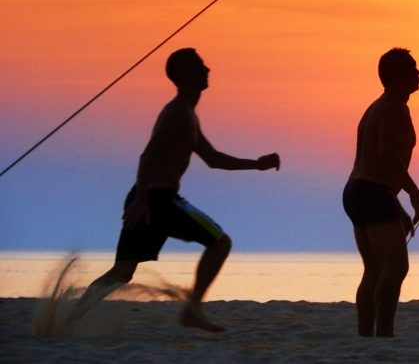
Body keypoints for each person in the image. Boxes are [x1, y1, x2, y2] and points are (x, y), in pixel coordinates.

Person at [68, 48, 281, 332]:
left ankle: (67, 321)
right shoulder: (178, 113)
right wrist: (142, 200)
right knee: (220, 243)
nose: (207, 70)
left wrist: (257, 165)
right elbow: (148, 156)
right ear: (182, 76)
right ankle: (191, 312)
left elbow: (214, 159)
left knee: (122, 272)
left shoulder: (188, 114)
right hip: (157, 199)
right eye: (200, 66)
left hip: (150, 198)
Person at [342, 48, 419, 337]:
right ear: (398, 76)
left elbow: (381, 164)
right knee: (395, 268)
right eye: (413, 69)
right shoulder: (393, 106)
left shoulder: (379, 105)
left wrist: (398, 207)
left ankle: (366, 338)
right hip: (371, 192)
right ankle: (384, 335)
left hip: (359, 192)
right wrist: (414, 195)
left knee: (375, 270)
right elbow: (388, 157)